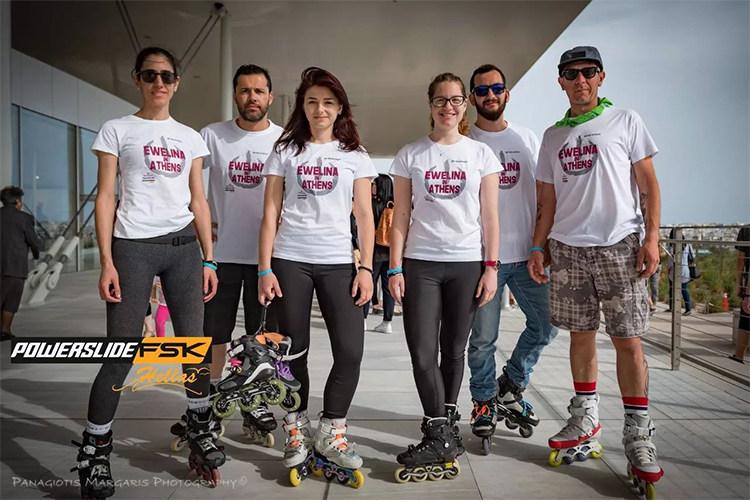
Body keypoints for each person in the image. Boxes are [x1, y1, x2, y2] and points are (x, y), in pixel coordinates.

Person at [74, 46, 221, 499]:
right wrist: (106, 260)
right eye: (150, 75)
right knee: (121, 352)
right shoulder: (117, 129)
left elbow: (198, 200)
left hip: (184, 250)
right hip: (132, 249)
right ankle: (95, 450)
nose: (159, 82)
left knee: (193, 348)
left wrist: (209, 258)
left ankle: (199, 426)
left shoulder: (190, 137)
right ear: (137, 79)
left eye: (167, 76)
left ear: (176, 83)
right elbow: (105, 197)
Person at [529, 46, 664, 488]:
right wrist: (538, 246)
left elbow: (648, 185)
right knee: (580, 336)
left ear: (601, 77)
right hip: (568, 249)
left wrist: (651, 238)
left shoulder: (625, 120)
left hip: (618, 246)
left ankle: (638, 433)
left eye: (588, 72)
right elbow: (547, 201)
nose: (580, 80)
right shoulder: (553, 136)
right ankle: (586, 418)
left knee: (628, 341)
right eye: (571, 74)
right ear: (561, 81)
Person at [258, 67, 376, 479]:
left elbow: (365, 216)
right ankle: (296, 429)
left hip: (338, 263)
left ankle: (332, 431)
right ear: (302, 106)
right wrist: (265, 268)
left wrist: (365, 267)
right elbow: (270, 212)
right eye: (312, 102)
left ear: (340, 107)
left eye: (327, 102)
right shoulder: (285, 151)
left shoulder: (355, 155)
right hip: (290, 260)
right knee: (294, 353)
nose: (320, 109)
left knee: (350, 350)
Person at [388, 72, 500, 481]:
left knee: (453, 350)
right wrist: (395, 267)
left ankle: (445, 425)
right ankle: (439, 430)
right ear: (430, 105)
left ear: (464, 104)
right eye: (440, 100)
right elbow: (400, 215)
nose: (448, 107)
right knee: (422, 353)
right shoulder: (411, 154)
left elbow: (490, 218)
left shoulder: (481, 155)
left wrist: (491, 267)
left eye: (455, 100)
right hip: (421, 263)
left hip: (467, 263)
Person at [465, 64, 558, 444]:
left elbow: (544, 196)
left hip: (526, 256)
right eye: (482, 90)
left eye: (496, 88)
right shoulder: (465, 141)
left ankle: (511, 383)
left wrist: (542, 243)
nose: (490, 95)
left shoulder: (527, 138)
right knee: (483, 340)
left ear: (506, 93)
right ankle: (483, 401)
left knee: (547, 324)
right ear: (472, 98)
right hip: (483, 259)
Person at [200, 63, 283, 437]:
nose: (252, 97)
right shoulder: (212, 136)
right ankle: (208, 405)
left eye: (259, 91)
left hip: (268, 260)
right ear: (235, 95)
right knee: (214, 336)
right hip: (222, 257)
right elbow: (191, 189)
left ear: (270, 96)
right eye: (245, 90)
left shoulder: (285, 140)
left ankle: (253, 402)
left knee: (259, 340)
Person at [0, 186, 41, 341]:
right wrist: (36, 254)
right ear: (18, 201)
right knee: (11, 300)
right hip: (14, 266)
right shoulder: (24, 218)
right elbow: (33, 241)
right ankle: (5, 330)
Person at [367, 174, 396, 333]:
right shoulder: (394, 205)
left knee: (369, 284)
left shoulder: (372, 205)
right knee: (388, 287)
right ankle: (387, 322)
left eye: (374, 184)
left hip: (375, 250)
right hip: (391, 252)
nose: (372, 186)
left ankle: (363, 319)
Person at [730, 225, 749, 363]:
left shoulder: (746, 231)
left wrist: (740, 285)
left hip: (749, 287)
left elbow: (740, 261)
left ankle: (739, 355)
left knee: (745, 322)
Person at [666, 228, 693, 316]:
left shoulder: (672, 246)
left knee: (671, 288)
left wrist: (668, 268)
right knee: (684, 289)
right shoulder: (687, 244)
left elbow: (670, 260)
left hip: (674, 270)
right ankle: (688, 308)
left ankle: (672, 307)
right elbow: (692, 256)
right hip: (685, 269)